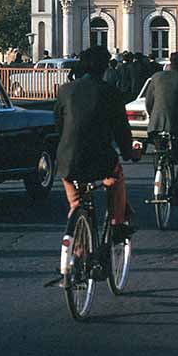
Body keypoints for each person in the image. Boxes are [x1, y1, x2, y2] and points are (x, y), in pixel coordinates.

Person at [54, 46, 136, 242]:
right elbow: (121, 129)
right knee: (115, 179)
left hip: (67, 160)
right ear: (105, 68)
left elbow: (59, 124)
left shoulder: (65, 90)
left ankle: (77, 253)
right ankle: (117, 224)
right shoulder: (110, 92)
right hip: (99, 159)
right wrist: (128, 152)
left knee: (76, 203)